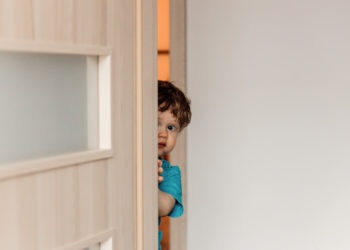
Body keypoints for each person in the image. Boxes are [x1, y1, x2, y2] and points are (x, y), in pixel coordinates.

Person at [158, 80, 191, 250]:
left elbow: (164, 207)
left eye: (171, 127)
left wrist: (148, 180)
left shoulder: (170, 172)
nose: (163, 133)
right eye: (156, 123)